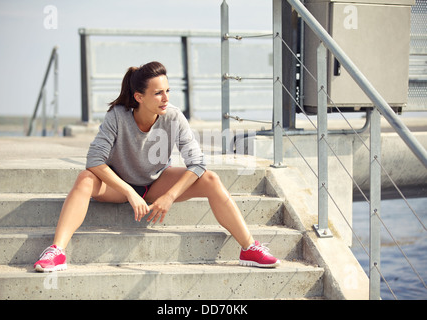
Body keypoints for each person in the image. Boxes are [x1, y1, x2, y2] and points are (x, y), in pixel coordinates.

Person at [34, 61, 280, 272]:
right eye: (158, 93)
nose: (166, 98)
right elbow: (94, 160)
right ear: (139, 97)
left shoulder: (173, 116)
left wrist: (170, 196)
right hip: (118, 187)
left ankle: (248, 248)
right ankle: (57, 251)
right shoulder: (117, 116)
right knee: (85, 178)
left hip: (155, 184)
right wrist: (130, 193)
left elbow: (197, 163)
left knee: (211, 179)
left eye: (167, 91)